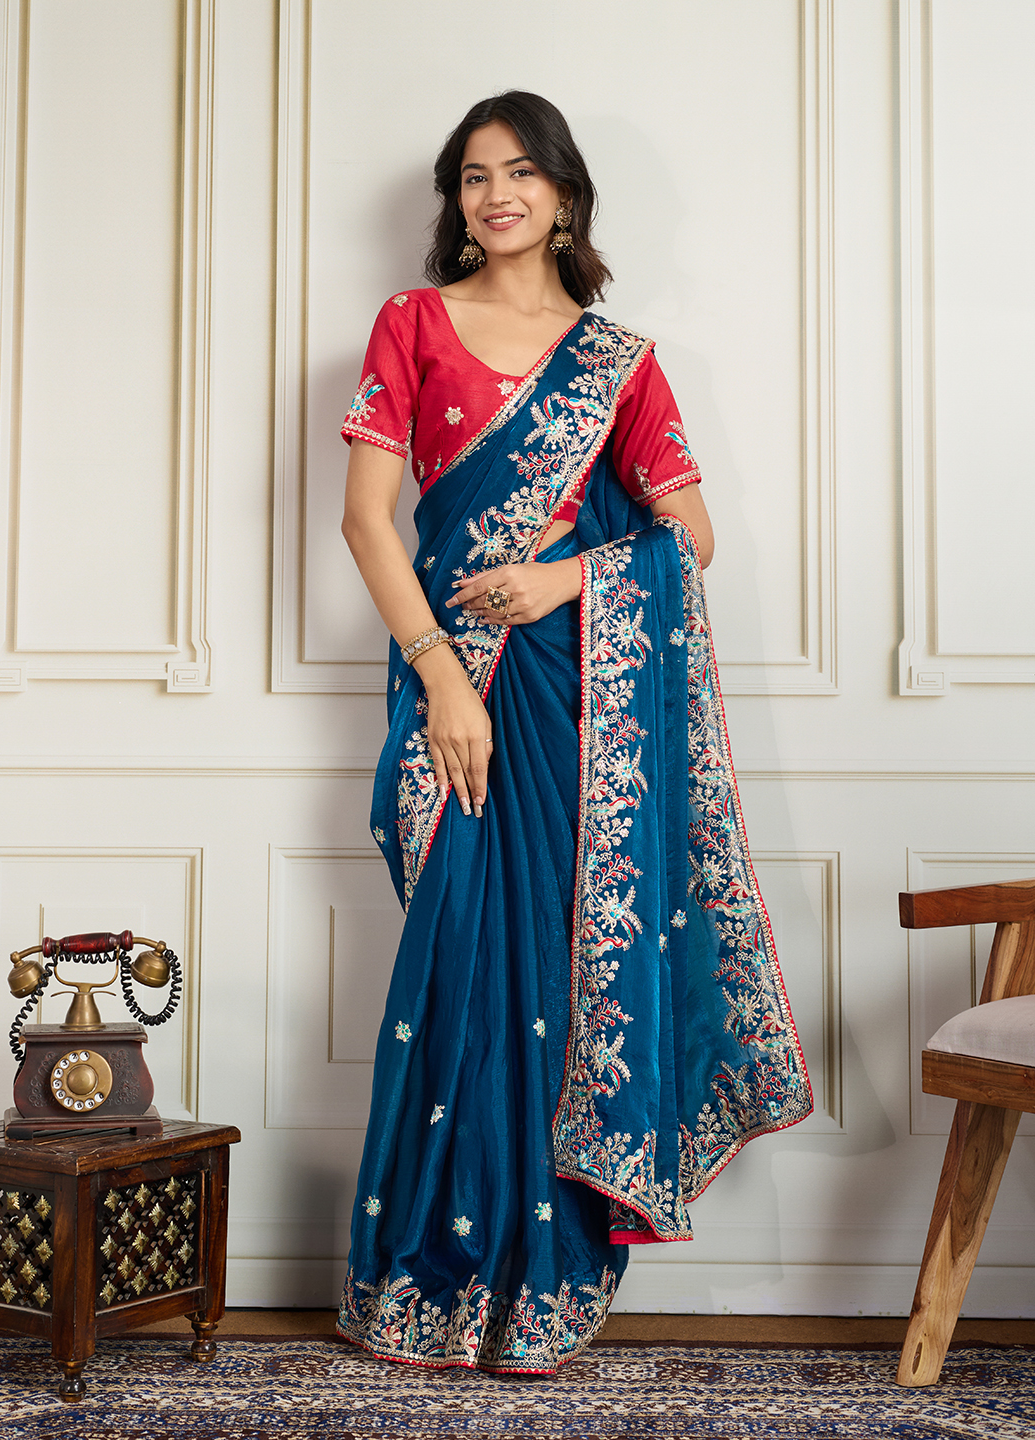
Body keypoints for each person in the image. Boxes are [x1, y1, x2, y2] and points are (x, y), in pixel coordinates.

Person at [337, 91, 811, 1374]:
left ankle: (545, 1281)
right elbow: (368, 522)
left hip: (582, 705)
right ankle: (430, 1280)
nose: (494, 195)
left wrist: (564, 579)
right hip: (455, 680)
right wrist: (442, 678)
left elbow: (688, 535)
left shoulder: (620, 360)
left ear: (563, 195)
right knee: (460, 967)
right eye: (473, 177)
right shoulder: (412, 322)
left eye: (519, 173)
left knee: (561, 972)